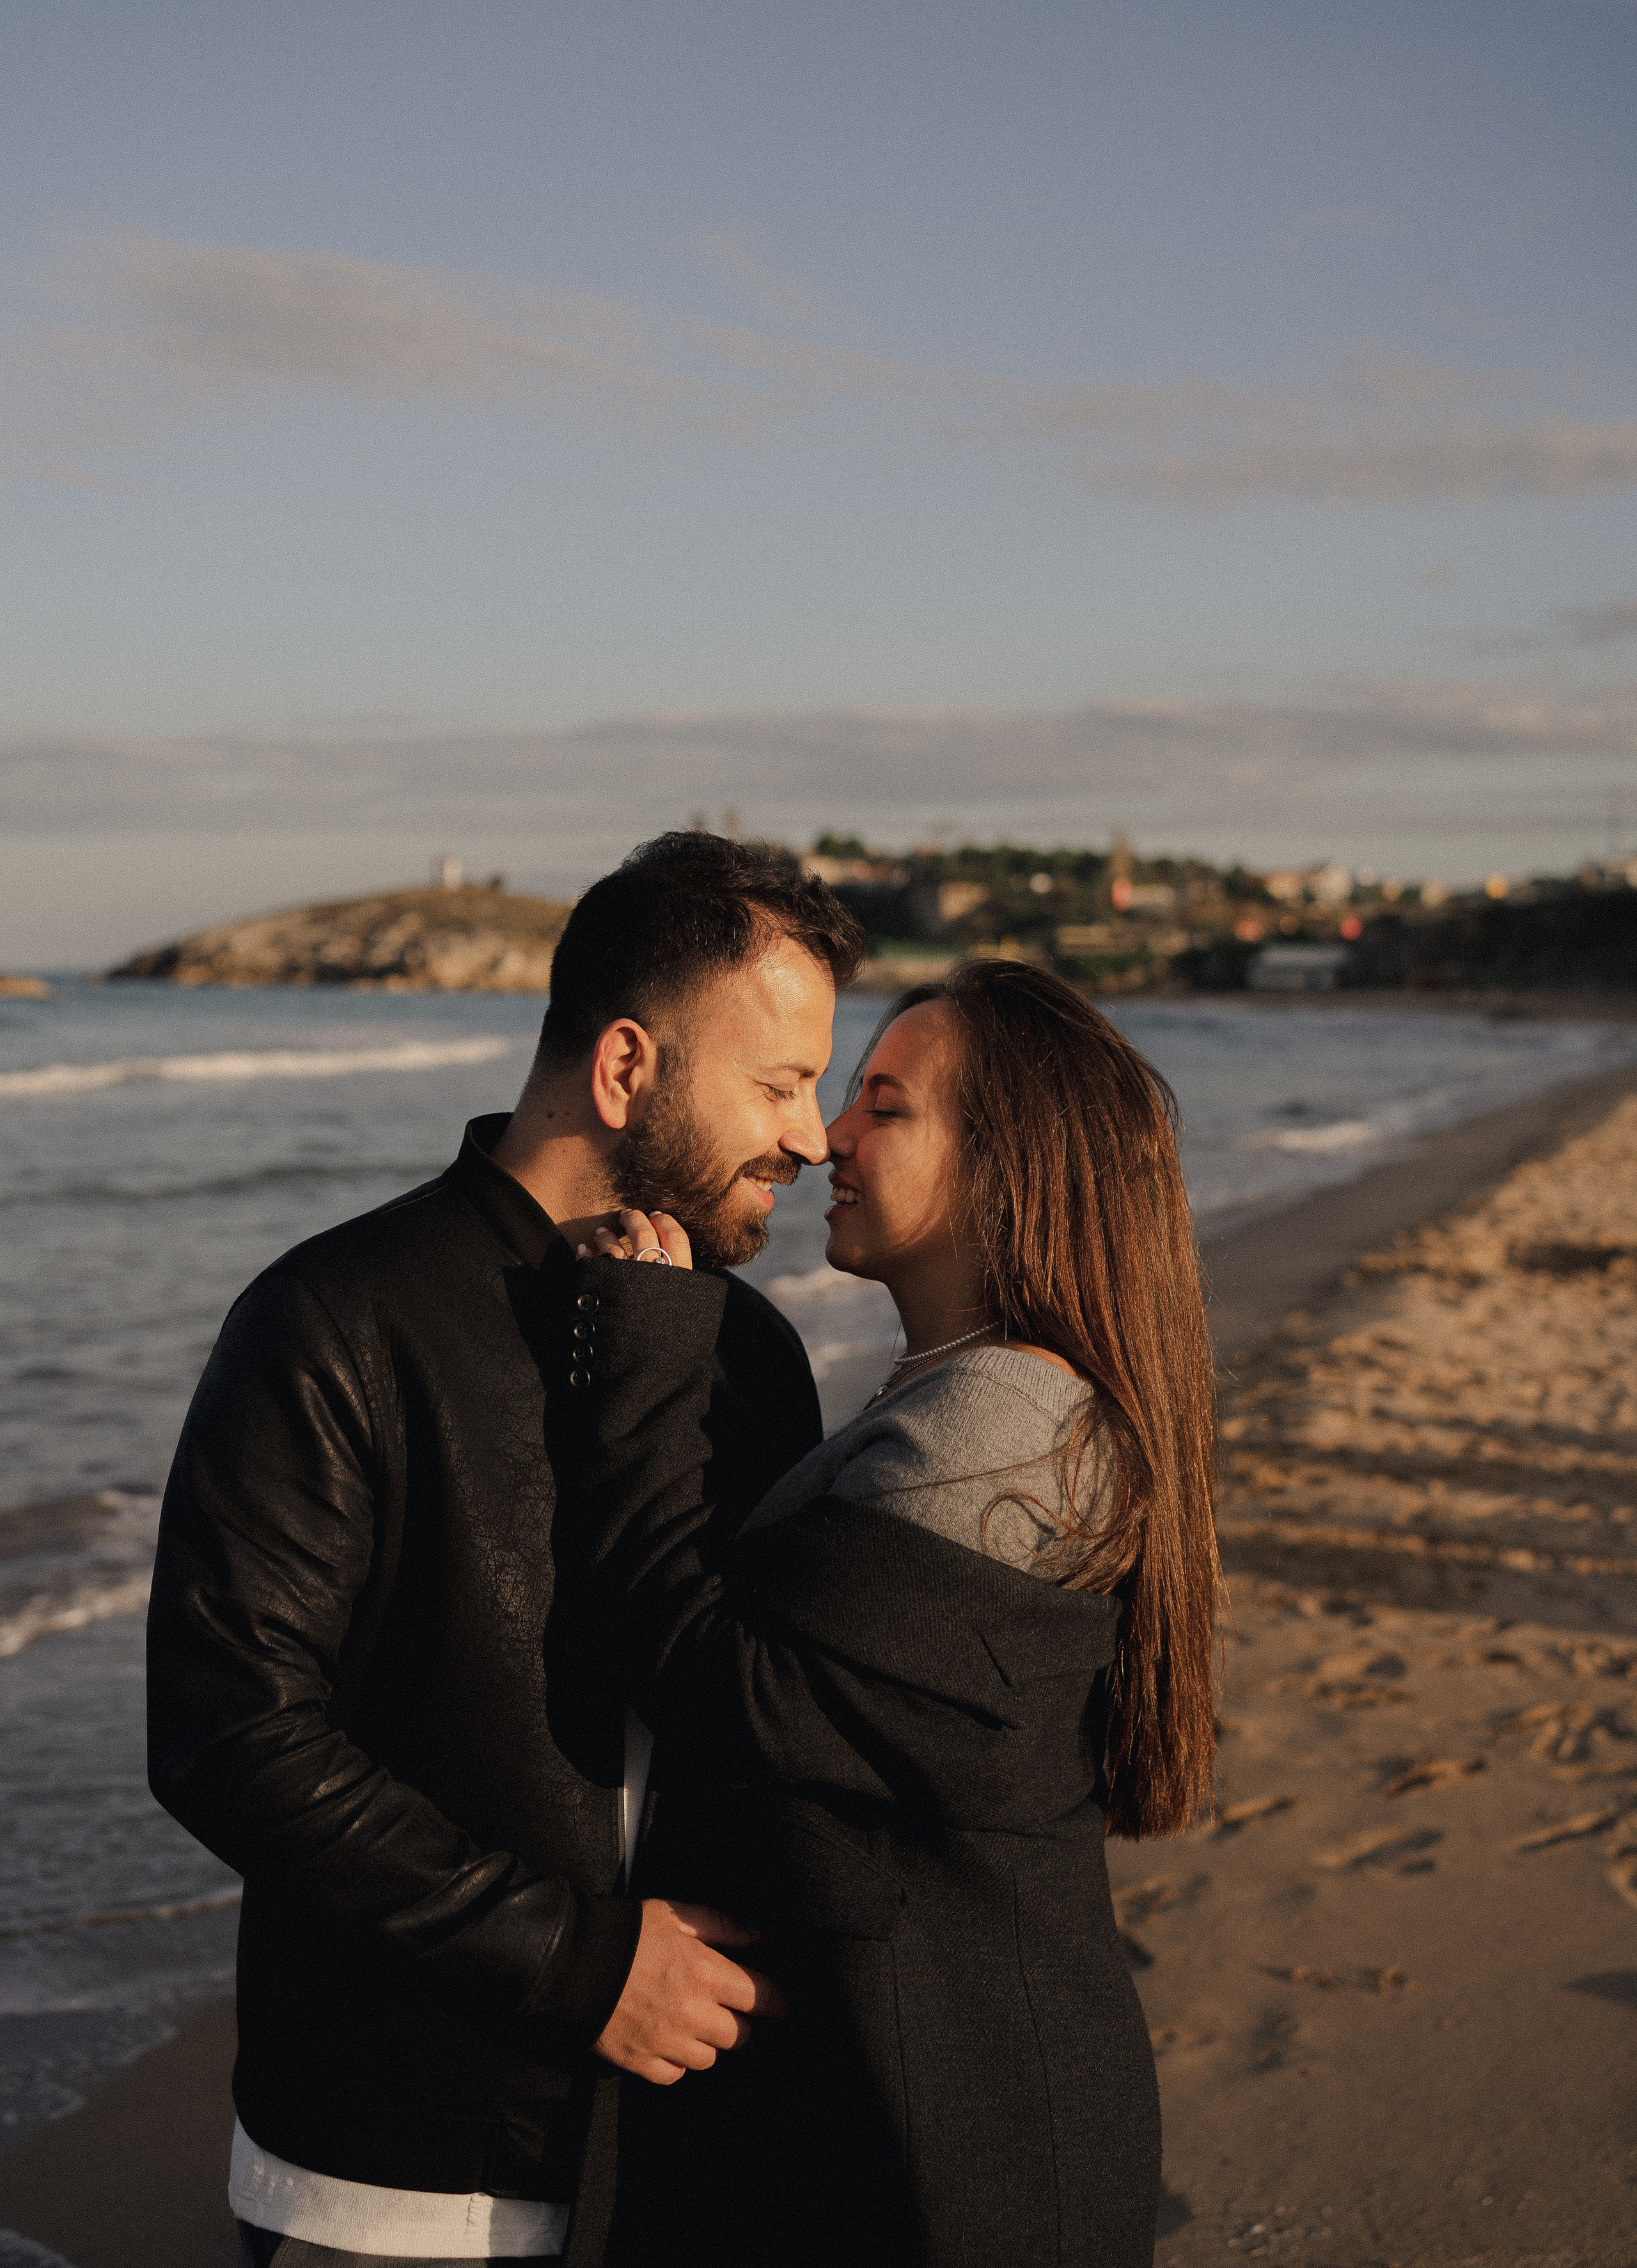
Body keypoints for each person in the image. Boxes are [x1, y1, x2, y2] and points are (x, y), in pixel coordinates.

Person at [145, 833, 866, 2268]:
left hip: (685, 2159)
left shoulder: (752, 1356)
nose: (814, 1135)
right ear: (623, 1069)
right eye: (780, 1083)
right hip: (399, 2169)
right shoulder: (334, 1318)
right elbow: (227, 1730)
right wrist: (577, 1959)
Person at [562, 958, 1221, 2268]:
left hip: (952, 2145)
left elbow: (717, 1682)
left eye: (884, 1103)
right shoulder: (958, 1403)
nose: (823, 1139)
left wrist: (642, 1351)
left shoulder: (1003, 1428)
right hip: (923, 2100)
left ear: (1007, 1162)